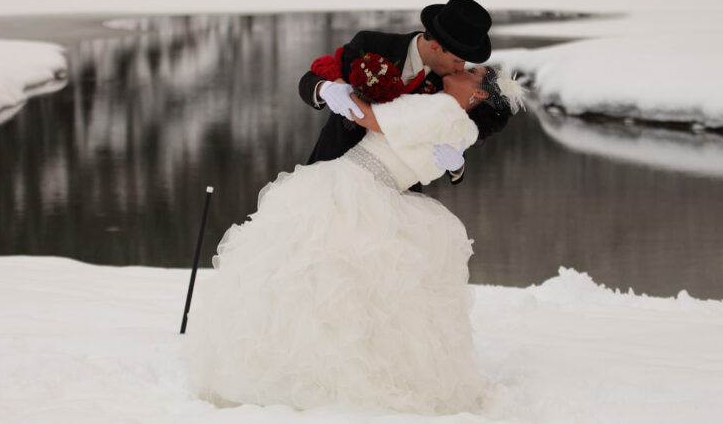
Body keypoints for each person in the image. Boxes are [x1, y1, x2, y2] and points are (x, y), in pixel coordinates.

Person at [187, 65, 525, 415]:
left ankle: (294, 371)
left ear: (480, 93)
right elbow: (424, 163)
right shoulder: (463, 131)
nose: (462, 68)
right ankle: (358, 376)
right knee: (361, 290)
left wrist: (341, 93)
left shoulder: (439, 108)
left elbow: (374, 120)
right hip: (386, 196)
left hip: (350, 185)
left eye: (472, 72)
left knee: (308, 275)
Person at [298, 0, 504, 185]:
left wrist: (457, 166)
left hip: (395, 195)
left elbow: (451, 136)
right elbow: (309, 80)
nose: (460, 68)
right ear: (435, 47)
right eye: (458, 60)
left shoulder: (449, 85)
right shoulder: (371, 45)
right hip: (331, 167)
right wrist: (324, 88)